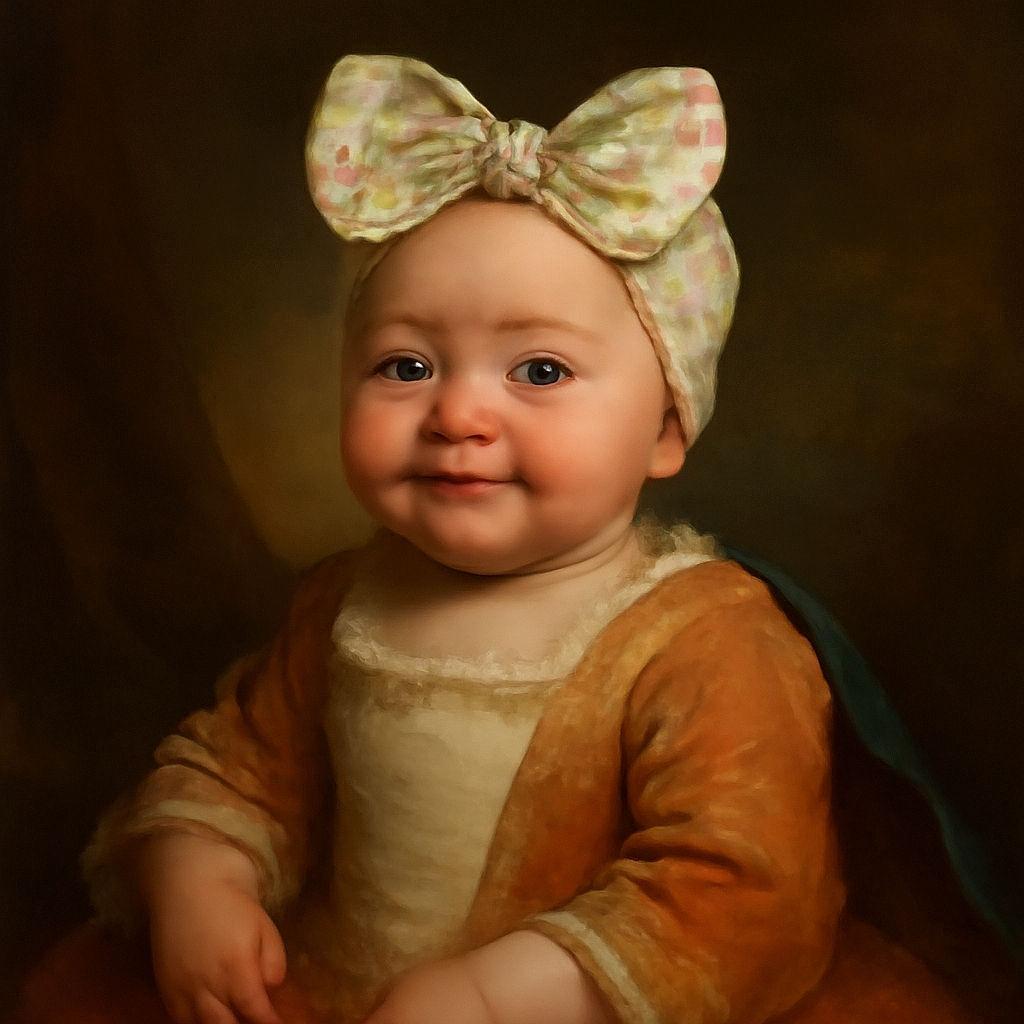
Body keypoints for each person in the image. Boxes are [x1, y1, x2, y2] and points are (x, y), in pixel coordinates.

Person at [17, 55, 1013, 1024]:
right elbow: (242, 767)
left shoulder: (708, 638)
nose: (456, 413)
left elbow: (742, 887)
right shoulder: (340, 602)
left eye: (537, 372)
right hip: (334, 989)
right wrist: (200, 873)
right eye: (404, 365)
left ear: (665, 428)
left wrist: (508, 993)